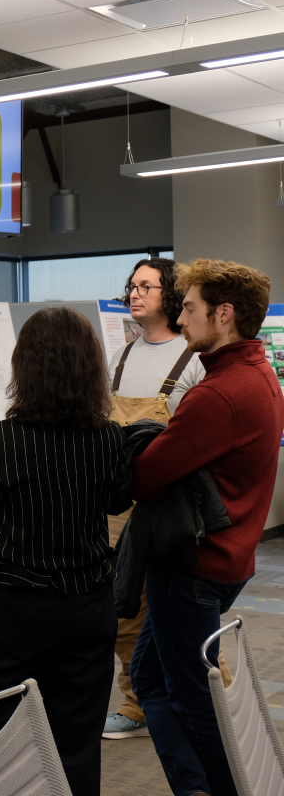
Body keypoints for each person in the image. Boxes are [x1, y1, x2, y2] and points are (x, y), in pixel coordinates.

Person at [0, 307, 126, 796]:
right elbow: (117, 499)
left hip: (12, 610)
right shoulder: (109, 438)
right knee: (78, 739)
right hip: (89, 604)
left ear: (22, 367)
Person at [129, 258, 282, 796]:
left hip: (192, 566)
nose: (182, 316)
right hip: (226, 559)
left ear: (223, 315)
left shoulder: (218, 395)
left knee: (190, 697)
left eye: (190, 308)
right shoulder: (258, 375)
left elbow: (146, 476)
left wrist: (141, 441)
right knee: (150, 677)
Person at [102, 257, 210, 741]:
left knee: (173, 610)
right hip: (119, 508)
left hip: (168, 507)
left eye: (147, 286)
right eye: (132, 285)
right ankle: (138, 703)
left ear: (170, 295)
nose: (135, 293)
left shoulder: (192, 358)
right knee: (124, 606)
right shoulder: (121, 357)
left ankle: (206, 702)